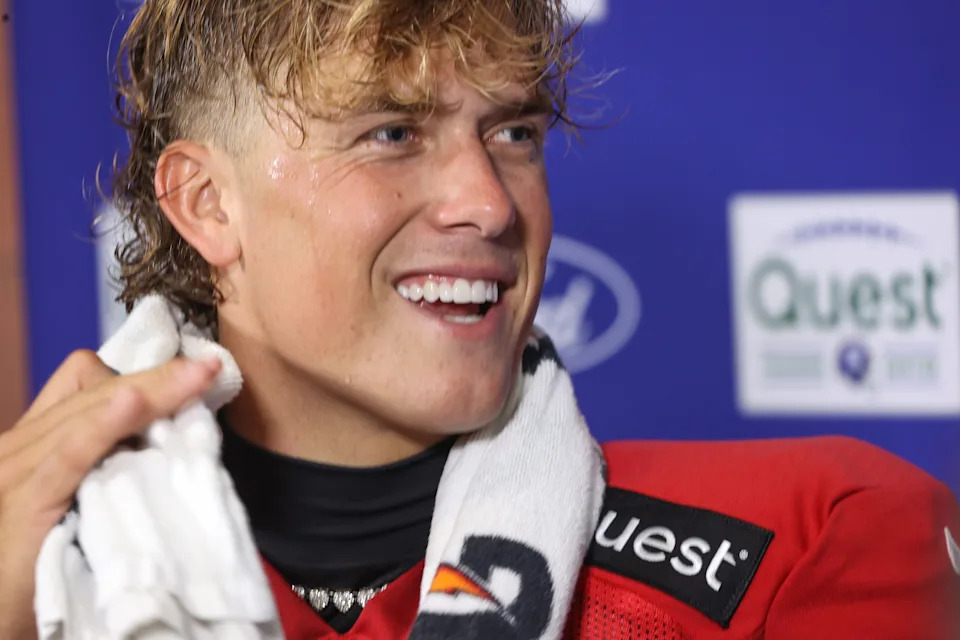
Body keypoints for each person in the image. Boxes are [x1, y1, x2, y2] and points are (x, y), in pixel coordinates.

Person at [1, 1, 958, 638]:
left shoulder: (809, 538)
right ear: (208, 204)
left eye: (514, 133)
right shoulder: (36, 568)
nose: (491, 204)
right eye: (392, 133)